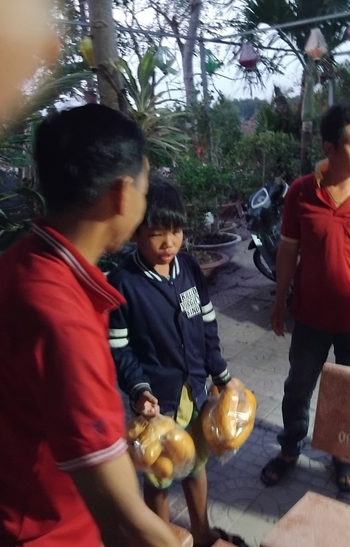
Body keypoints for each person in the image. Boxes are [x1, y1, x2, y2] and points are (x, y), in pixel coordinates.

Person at [0, 104, 181, 547]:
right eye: (145, 191)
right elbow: (124, 521)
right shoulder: (63, 318)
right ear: (122, 195)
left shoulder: (21, 262)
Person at [260, 100, 350, 491]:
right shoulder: (302, 192)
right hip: (310, 316)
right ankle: (290, 447)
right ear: (330, 148)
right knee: (298, 387)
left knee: (349, 393)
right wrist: (279, 301)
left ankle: (343, 453)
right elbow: (287, 250)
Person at [107, 177, 248, 547]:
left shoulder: (188, 269)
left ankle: (202, 533)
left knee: (196, 465)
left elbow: (206, 326)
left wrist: (220, 374)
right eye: (157, 234)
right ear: (136, 232)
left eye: (176, 232)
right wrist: (139, 391)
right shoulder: (123, 283)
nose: (168, 243)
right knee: (159, 477)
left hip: (194, 392)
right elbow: (119, 350)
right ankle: (162, 539)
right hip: (156, 403)